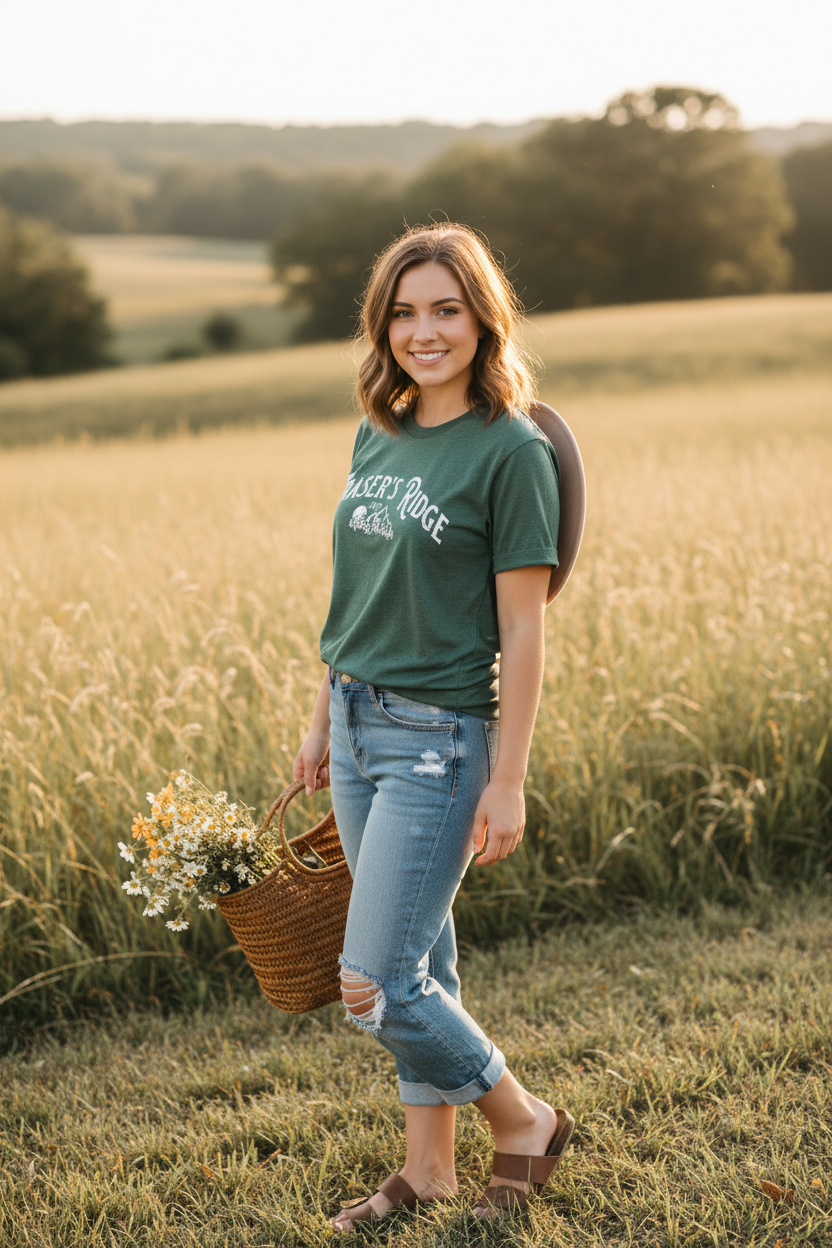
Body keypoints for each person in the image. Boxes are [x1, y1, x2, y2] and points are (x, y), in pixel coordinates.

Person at [293, 222, 574, 1232]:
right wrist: (324, 709)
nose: (424, 330)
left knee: (372, 985)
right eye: (404, 312)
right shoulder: (381, 429)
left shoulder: (511, 448)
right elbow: (356, 590)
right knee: (423, 967)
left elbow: (523, 627)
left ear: (480, 318)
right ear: (384, 327)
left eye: (445, 309)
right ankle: (430, 1169)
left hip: (438, 741)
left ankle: (524, 1119)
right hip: (362, 726)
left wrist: (508, 777)